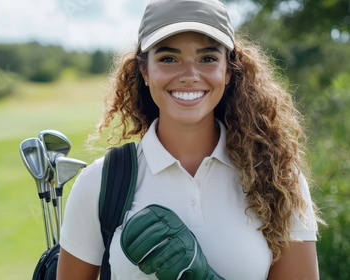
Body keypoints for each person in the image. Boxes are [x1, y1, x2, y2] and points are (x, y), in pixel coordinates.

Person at [57, 0, 322, 279]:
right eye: (168, 58)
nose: (189, 76)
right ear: (145, 71)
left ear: (228, 71)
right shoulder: (100, 182)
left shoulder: (279, 178)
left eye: (207, 58)